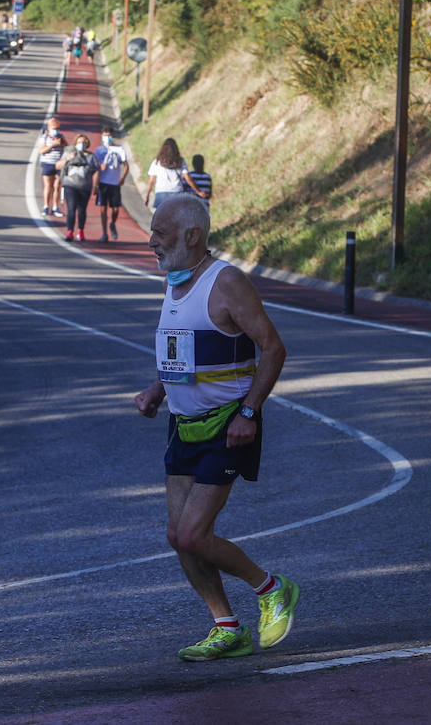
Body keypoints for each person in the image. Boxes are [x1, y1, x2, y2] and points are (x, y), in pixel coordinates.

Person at [134, 195, 299, 662]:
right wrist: (157, 391)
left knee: (192, 535)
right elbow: (182, 357)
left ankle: (272, 588)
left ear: (192, 235)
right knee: (177, 535)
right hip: (183, 425)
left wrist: (249, 412)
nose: (151, 241)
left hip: (228, 424)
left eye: (159, 234)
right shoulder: (173, 281)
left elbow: (273, 349)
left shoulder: (225, 283)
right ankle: (228, 627)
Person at [55, 133, 100, 241]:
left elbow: (96, 170)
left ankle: (81, 231)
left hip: (85, 187)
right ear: (75, 143)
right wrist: (68, 159)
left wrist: (96, 185)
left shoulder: (91, 156)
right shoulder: (69, 153)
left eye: (84, 143)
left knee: (82, 210)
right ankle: (70, 231)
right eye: (79, 142)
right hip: (70, 185)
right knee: (71, 208)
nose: (81, 144)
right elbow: (57, 165)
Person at [144, 138, 206, 210]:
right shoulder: (180, 161)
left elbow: (151, 181)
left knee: (160, 218)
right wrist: (198, 192)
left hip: (161, 194)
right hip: (177, 193)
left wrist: (147, 197)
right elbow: (188, 178)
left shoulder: (157, 162)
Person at [93, 125, 129, 242]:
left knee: (115, 209)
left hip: (114, 183)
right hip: (103, 182)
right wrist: (96, 184)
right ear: (102, 136)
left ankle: (112, 223)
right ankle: (104, 234)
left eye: (109, 136)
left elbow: (126, 165)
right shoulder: (99, 150)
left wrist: (123, 178)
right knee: (103, 209)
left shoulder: (119, 149)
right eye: (105, 136)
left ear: (112, 136)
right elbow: (95, 167)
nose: (107, 138)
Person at [37, 118, 65, 218]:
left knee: (57, 186)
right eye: (54, 128)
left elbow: (66, 147)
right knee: (48, 185)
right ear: (49, 128)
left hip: (58, 163)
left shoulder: (61, 137)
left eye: (57, 128)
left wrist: (62, 143)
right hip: (47, 163)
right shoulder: (44, 138)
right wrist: (53, 144)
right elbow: (42, 151)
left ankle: (55, 207)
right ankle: (45, 206)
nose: (56, 131)